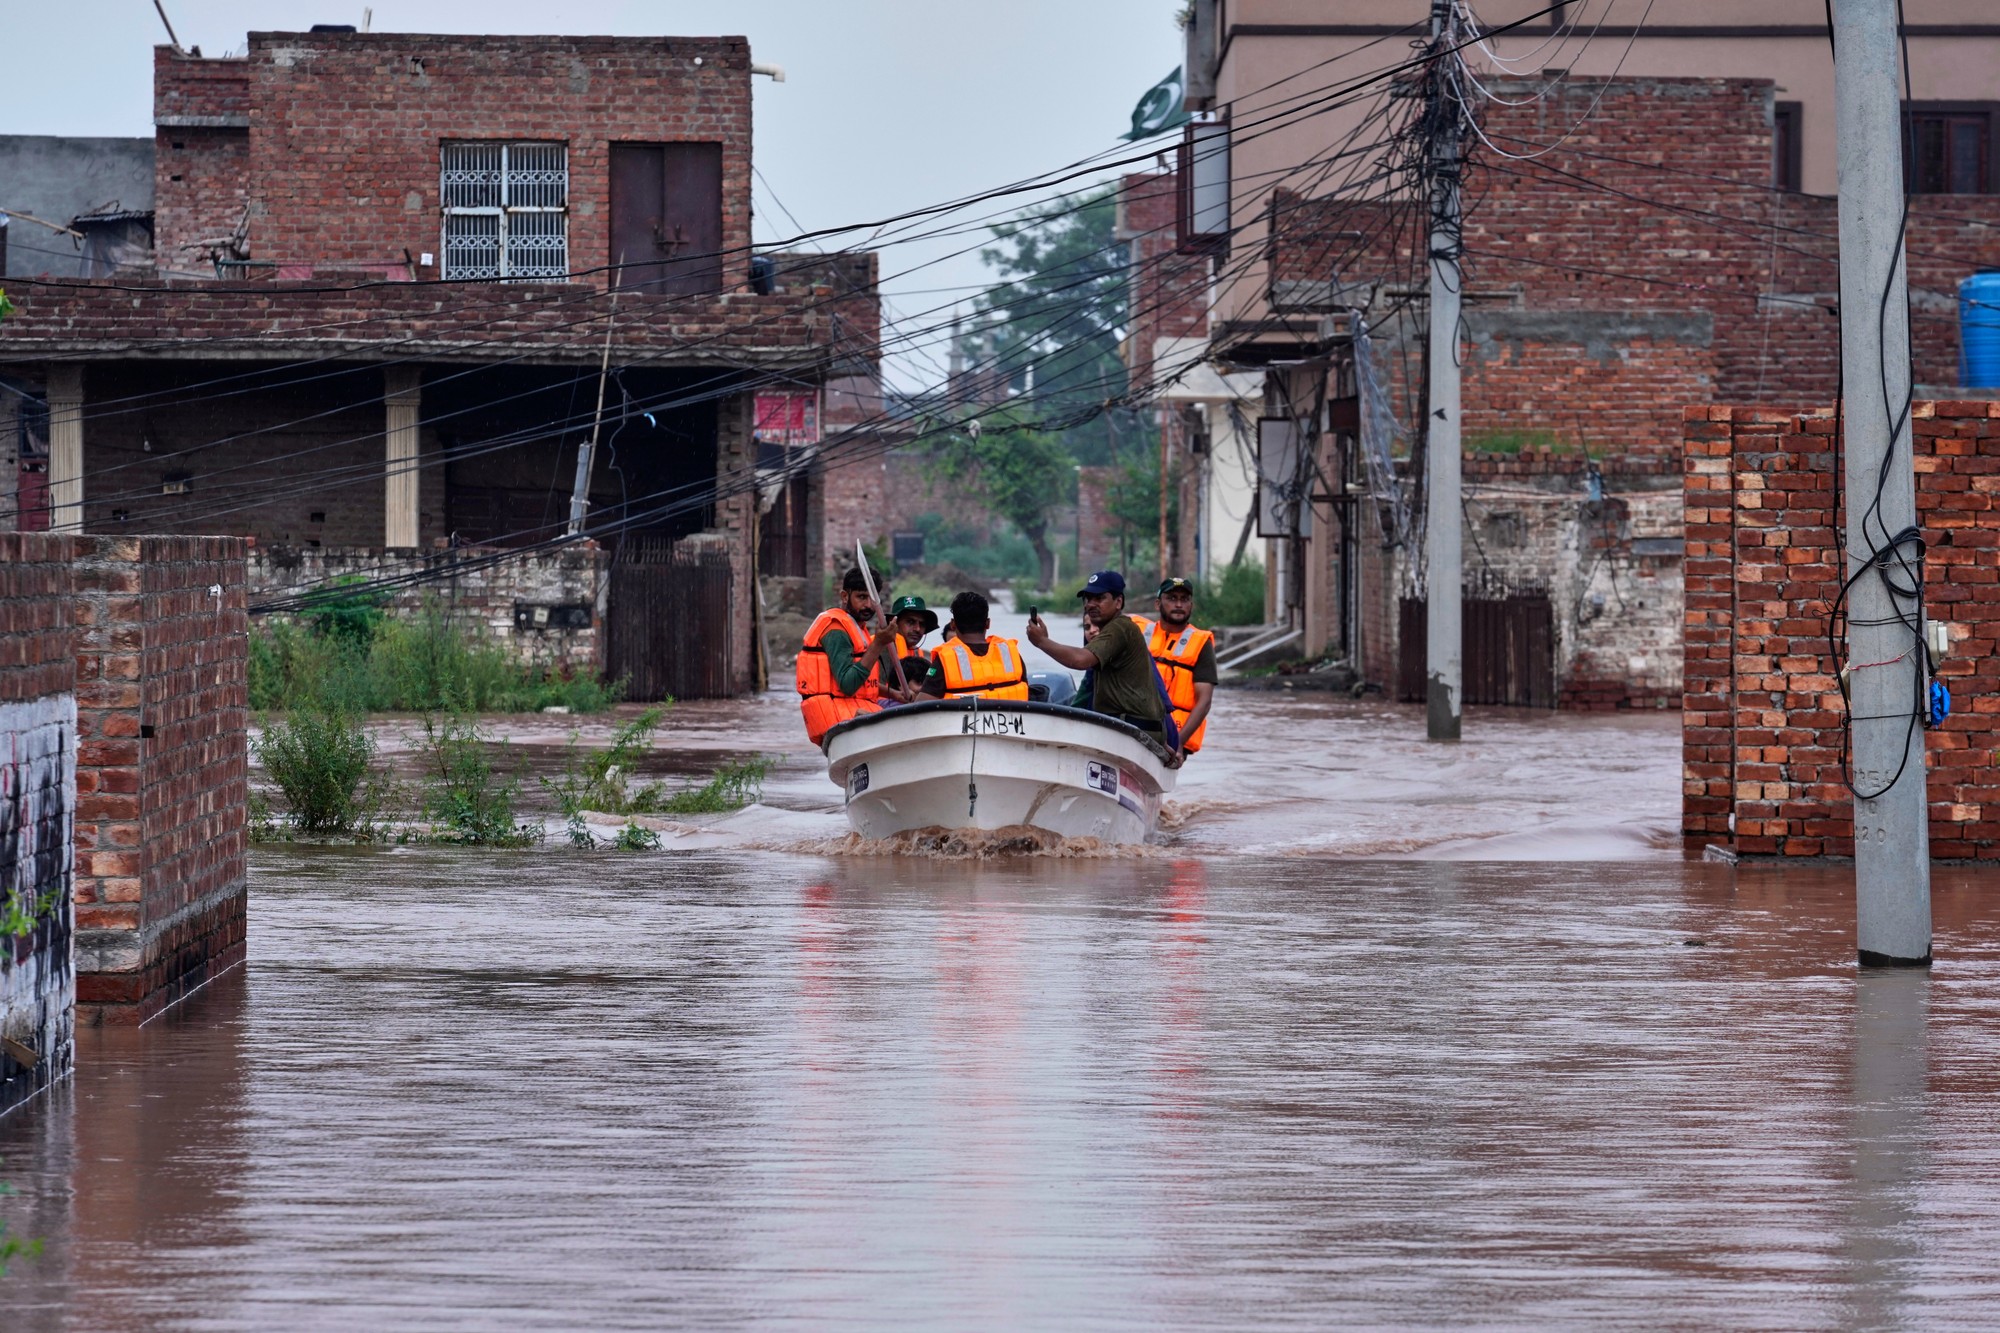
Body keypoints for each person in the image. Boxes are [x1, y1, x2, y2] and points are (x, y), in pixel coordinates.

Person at [1025, 570, 1172, 743]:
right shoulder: (1107, 635)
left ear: (1118, 602)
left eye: (1099, 598)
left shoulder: (1121, 628)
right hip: (1127, 728)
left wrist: (1042, 641)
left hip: (1135, 730)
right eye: (1088, 599)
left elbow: (1080, 660)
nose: (1090, 604)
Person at [796, 566, 908, 744]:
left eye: (872, 598)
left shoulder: (857, 627)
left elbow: (862, 683)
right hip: (840, 725)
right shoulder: (836, 630)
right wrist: (878, 643)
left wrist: (894, 694)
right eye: (861, 597)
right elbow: (848, 685)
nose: (868, 605)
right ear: (844, 597)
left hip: (853, 717)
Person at [1140, 577, 1217, 759]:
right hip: (1138, 725)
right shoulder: (1140, 633)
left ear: (1191, 605)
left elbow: (1204, 701)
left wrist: (1178, 743)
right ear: (1158, 604)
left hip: (1175, 733)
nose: (1179, 604)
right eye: (1172, 598)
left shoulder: (1201, 642)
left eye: (1184, 599)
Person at [919, 591, 1029, 700]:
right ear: (988, 623)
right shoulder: (1010, 654)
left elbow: (920, 706)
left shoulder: (945, 660)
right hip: (1015, 717)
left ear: (952, 624)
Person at [888, 594, 940, 686]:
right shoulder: (881, 647)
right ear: (894, 623)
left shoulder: (918, 654)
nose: (917, 629)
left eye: (922, 624)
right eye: (910, 622)